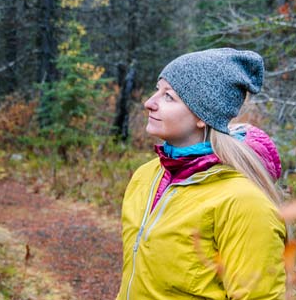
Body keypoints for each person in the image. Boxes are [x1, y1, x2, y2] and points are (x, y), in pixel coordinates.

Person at [116, 48, 286, 300]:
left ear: (202, 115)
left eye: (169, 96)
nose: (149, 102)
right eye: (157, 90)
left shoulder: (243, 202)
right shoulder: (146, 176)